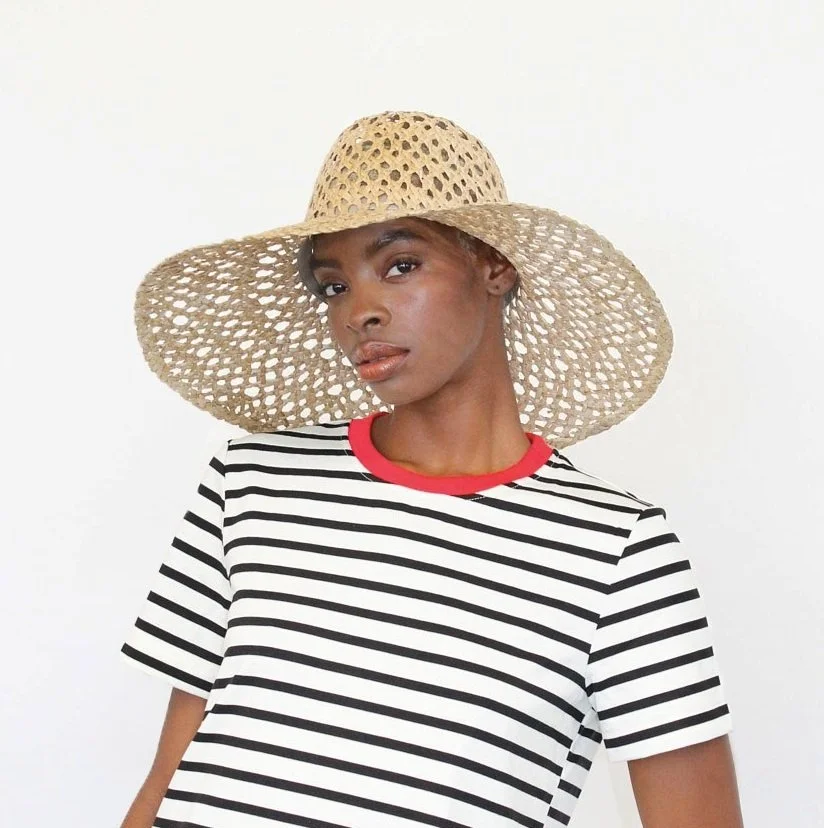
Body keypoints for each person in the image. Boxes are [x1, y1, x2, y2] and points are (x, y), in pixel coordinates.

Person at [119, 111, 744, 827]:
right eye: (334, 285)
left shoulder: (618, 549)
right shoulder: (250, 483)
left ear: (494, 266)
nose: (360, 311)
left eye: (400, 266)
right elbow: (167, 778)